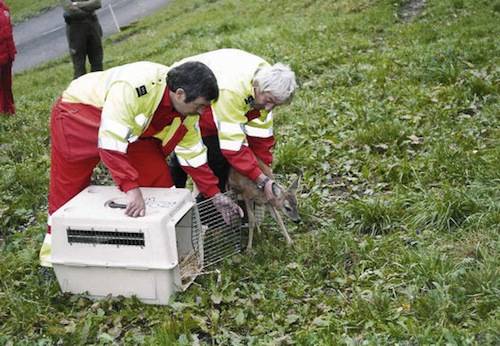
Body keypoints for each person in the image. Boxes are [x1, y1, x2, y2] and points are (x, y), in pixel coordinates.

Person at [39, 60, 242, 267]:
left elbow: (193, 155)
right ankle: (52, 257)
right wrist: (131, 188)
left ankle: (164, 251)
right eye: (199, 106)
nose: (202, 113)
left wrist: (214, 194)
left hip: (133, 134)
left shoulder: (186, 112)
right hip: (79, 115)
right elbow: (111, 142)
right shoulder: (135, 87)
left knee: (162, 186)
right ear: (179, 94)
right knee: (68, 189)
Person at [169, 49, 297, 202]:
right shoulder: (232, 91)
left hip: (216, 97)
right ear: (259, 87)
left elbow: (260, 138)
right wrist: (261, 179)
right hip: (192, 95)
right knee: (212, 157)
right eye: (269, 101)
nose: (269, 108)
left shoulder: (270, 83)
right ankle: (192, 207)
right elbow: (232, 146)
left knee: (217, 158)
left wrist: (263, 171)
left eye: (276, 105)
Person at [62, 0, 103, 79]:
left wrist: (77, 4)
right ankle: (80, 90)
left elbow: (97, 3)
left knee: (97, 63)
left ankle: (98, 89)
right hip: (76, 27)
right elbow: (70, 9)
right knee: (79, 67)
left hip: (93, 24)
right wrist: (89, 8)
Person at [0, 0, 16, 115]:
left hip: (7, 54)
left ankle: (9, 110)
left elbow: (9, 30)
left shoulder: (4, 7)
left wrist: (11, 51)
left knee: (7, 86)